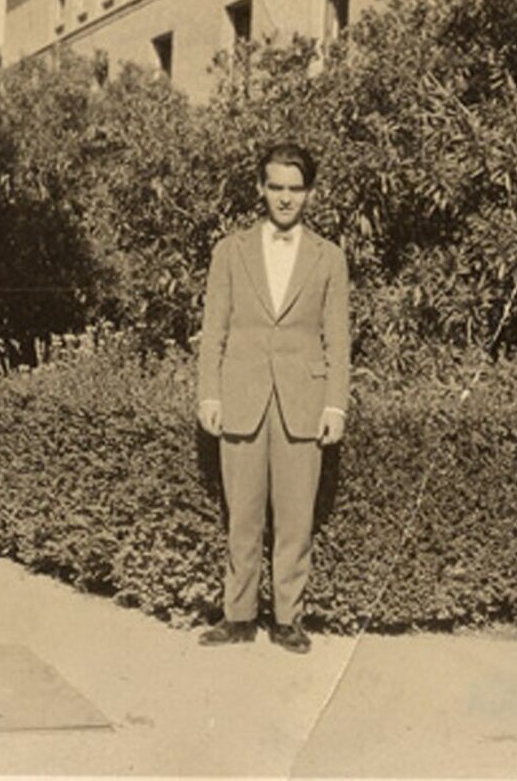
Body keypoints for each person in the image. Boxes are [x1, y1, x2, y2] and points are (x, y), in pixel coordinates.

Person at [195, 142, 350, 654]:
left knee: (295, 518)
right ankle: (237, 616)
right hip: (241, 396)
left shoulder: (329, 257)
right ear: (261, 188)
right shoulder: (230, 251)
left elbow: (337, 337)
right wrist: (210, 394)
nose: (285, 198)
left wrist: (334, 405)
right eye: (276, 187)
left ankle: (288, 618)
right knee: (241, 514)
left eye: (295, 188)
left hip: (302, 403)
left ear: (309, 192)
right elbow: (213, 329)